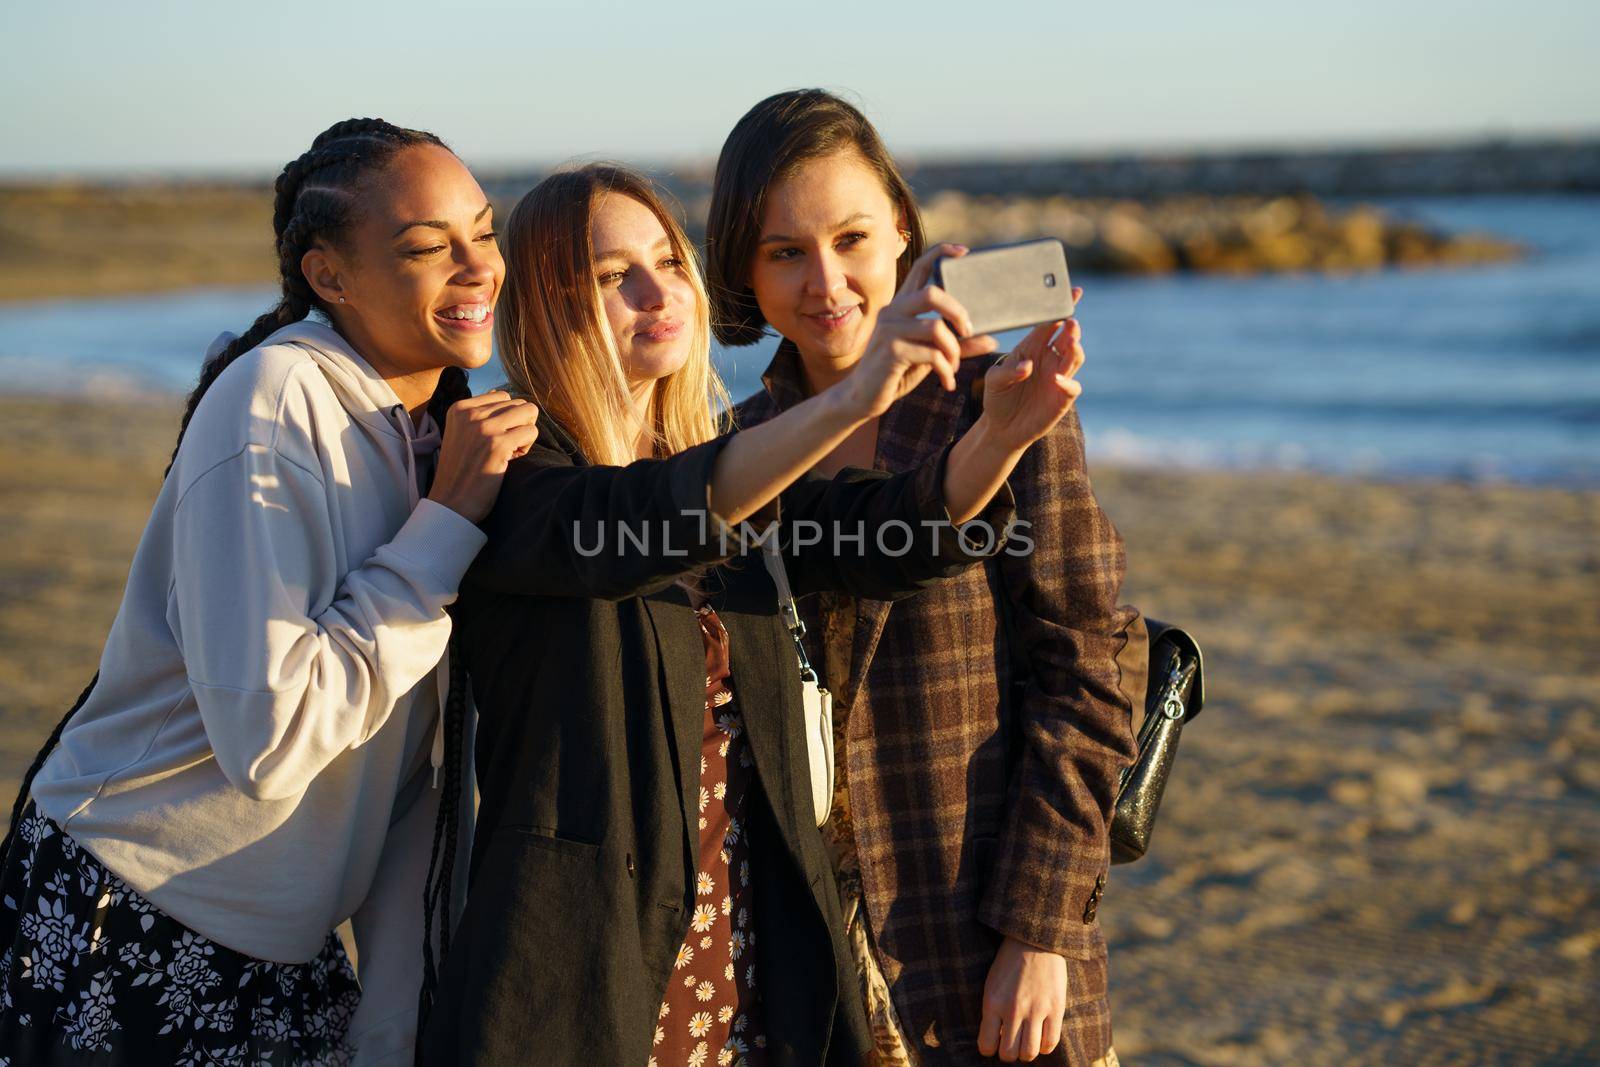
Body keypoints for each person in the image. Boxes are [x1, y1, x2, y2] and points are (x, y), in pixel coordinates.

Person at [416, 163, 1087, 1067]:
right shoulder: (518, 471)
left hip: (746, 955)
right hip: (586, 974)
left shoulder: (725, 463)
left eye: (668, 261)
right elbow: (643, 519)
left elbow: (880, 534)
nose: (660, 293)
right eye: (615, 277)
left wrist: (1000, 434)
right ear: (547, 302)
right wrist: (855, 396)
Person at [0, 118, 536, 1065]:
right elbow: (272, 737)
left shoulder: (424, 428)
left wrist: (392, 1017)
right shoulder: (277, 400)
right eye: (425, 247)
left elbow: (404, 764)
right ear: (331, 276)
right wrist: (446, 523)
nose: (477, 267)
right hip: (134, 913)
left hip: (282, 947)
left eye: (484, 233)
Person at [707, 90, 1147, 1066]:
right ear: (742, 262)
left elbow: (1089, 660)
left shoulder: (996, 407)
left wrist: (1041, 930)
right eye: (784, 251)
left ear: (902, 231)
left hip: (981, 942)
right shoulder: (735, 450)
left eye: (852, 238)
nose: (826, 281)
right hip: (802, 964)